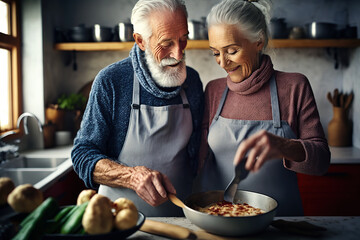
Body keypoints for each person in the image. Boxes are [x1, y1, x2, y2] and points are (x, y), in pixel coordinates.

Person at [197, 0, 330, 216]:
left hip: (281, 222)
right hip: (221, 218)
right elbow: (198, 156)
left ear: (258, 41)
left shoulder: (295, 87)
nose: (222, 62)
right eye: (215, 53)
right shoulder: (214, 91)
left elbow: (322, 162)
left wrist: (284, 146)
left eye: (231, 50)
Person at [71, 0, 204, 217]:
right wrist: (131, 176)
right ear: (140, 41)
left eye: (183, 39)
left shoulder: (193, 82)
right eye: (166, 43)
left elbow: (199, 154)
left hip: (183, 216)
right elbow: (82, 154)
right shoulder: (111, 81)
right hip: (121, 217)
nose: (178, 54)